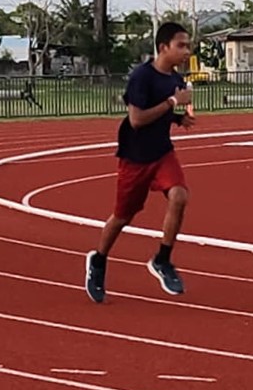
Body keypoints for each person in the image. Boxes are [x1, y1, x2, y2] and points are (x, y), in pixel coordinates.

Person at [84, 22, 197, 303]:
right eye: (181, 45)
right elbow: (136, 120)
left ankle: (162, 259)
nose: (187, 51)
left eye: (188, 45)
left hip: (162, 153)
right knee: (122, 216)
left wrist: (178, 119)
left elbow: (162, 112)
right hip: (135, 158)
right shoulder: (142, 77)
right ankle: (98, 260)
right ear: (163, 47)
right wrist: (173, 103)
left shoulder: (175, 78)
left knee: (180, 196)